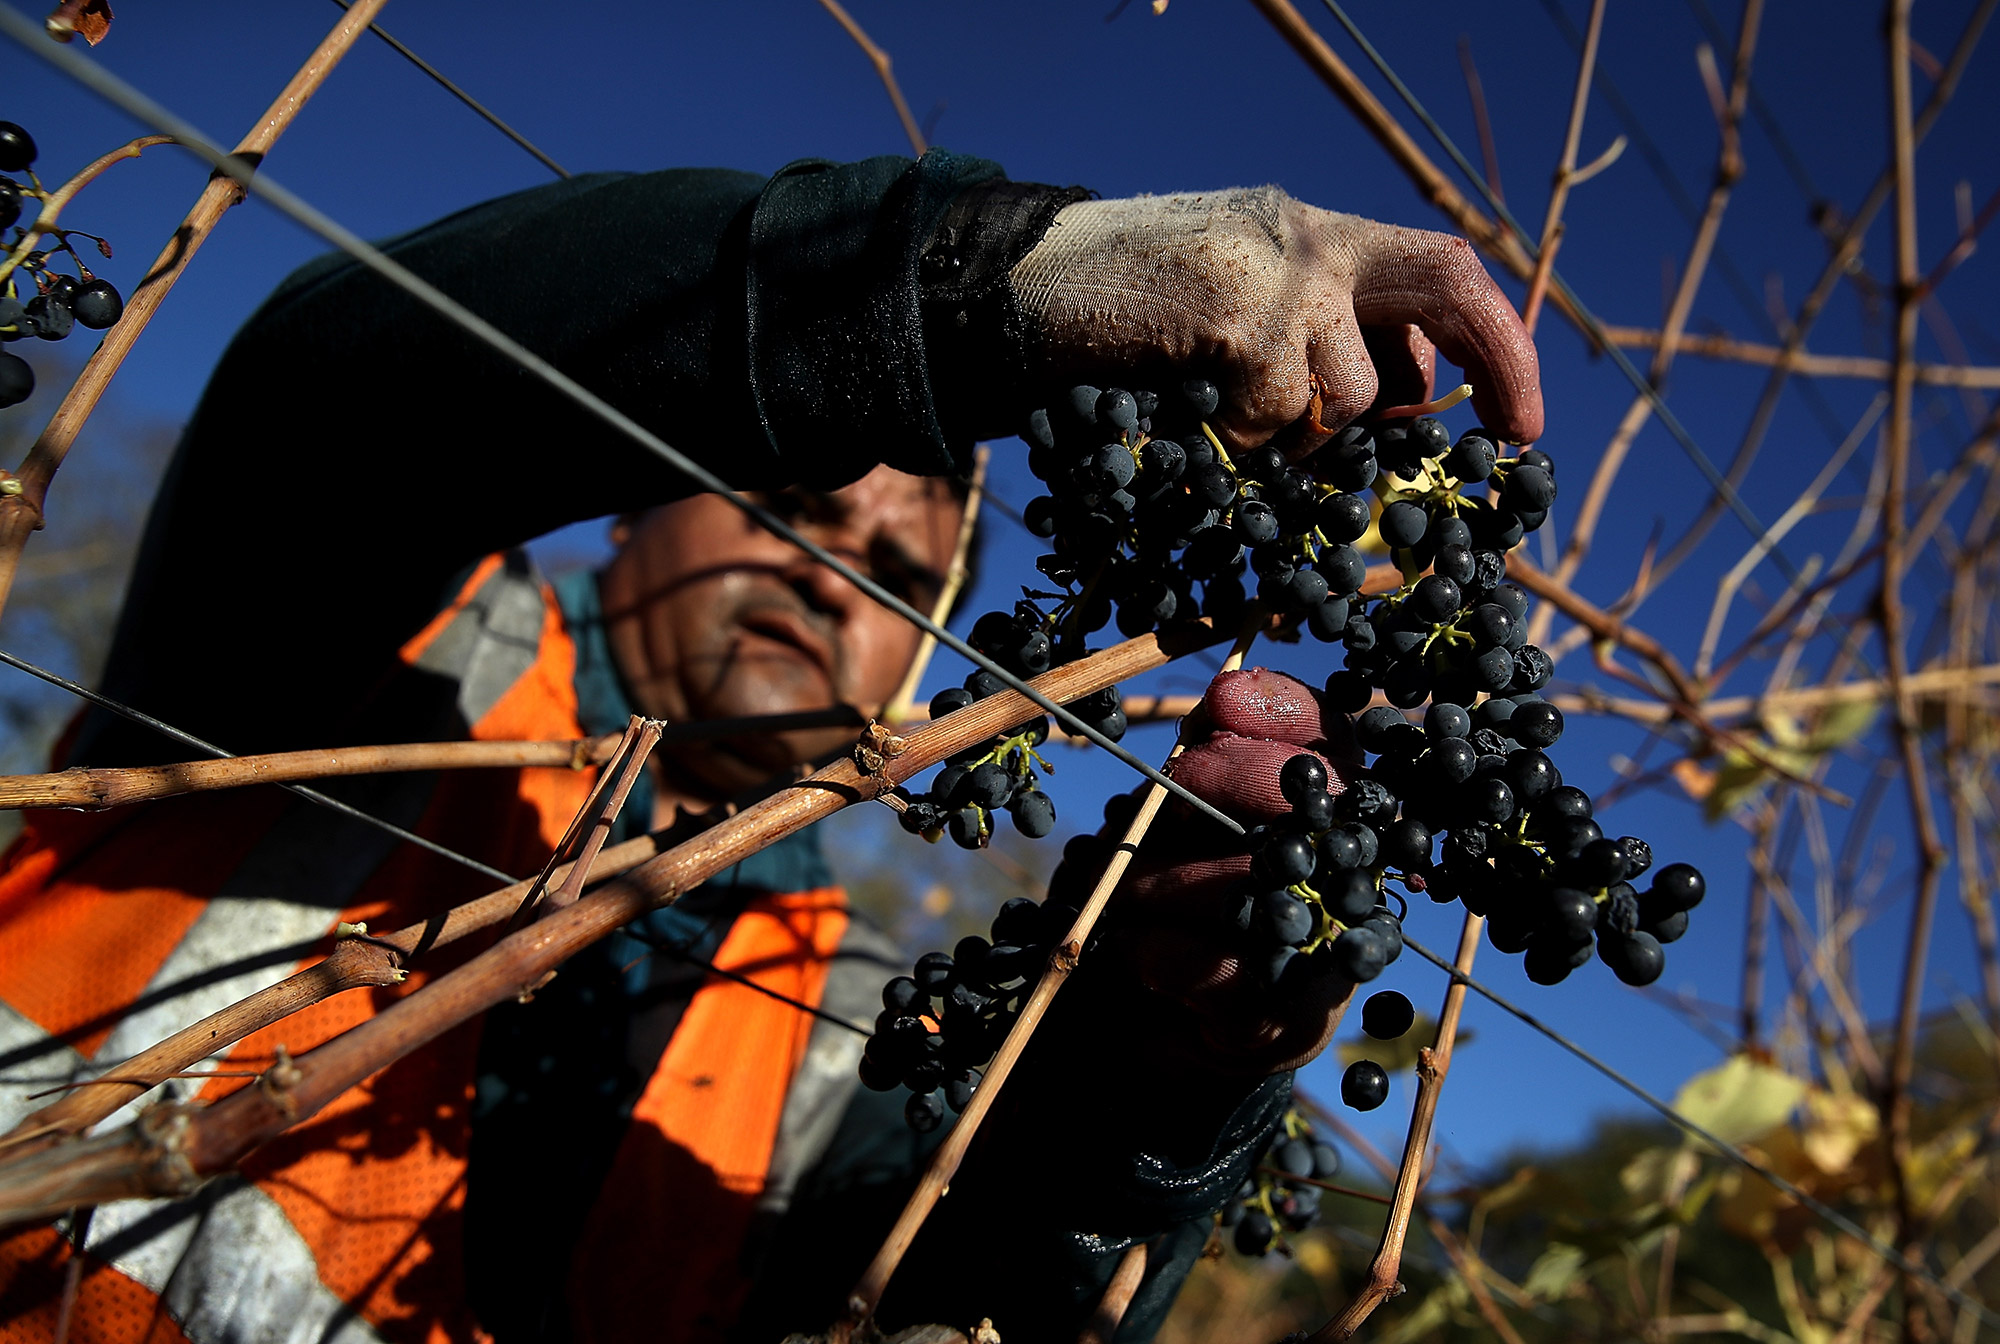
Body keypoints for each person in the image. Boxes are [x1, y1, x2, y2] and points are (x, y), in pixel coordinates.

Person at [0, 151, 1542, 1343]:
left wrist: (1161, 1066)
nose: (830, 570)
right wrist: (971, 283)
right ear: (627, 501)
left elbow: (964, 1284)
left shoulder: (844, 1019)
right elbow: (335, 404)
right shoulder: (366, 658)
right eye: (799, 508)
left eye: (894, 563)